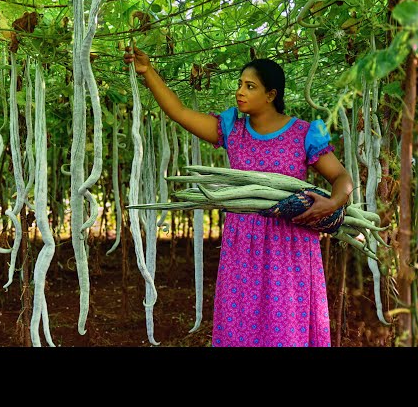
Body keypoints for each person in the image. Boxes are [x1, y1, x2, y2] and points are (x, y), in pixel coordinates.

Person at [123, 46, 354, 347]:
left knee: (285, 323)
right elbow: (178, 112)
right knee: (241, 322)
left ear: (271, 95)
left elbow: (341, 178)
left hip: (290, 244)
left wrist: (334, 202)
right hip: (243, 242)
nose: (239, 92)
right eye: (240, 85)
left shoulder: (304, 134)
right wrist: (147, 72)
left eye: (250, 86)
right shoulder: (233, 128)